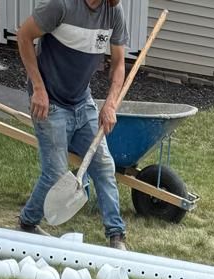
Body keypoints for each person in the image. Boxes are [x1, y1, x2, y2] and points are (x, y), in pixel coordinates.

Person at [16, 0, 129, 246]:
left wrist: (110, 104)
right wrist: (38, 88)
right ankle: (27, 222)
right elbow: (24, 37)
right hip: (50, 102)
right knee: (56, 174)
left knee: (104, 165)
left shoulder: (114, 12)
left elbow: (119, 63)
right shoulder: (61, 5)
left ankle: (116, 234)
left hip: (82, 101)